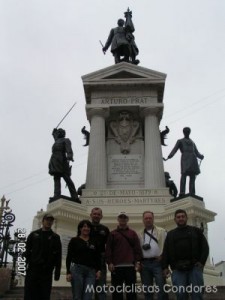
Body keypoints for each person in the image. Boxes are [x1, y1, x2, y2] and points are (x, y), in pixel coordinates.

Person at [162, 209, 209, 300]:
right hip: (177, 269)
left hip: (194, 268)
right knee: (180, 294)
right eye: (178, 217)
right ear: (175, 219)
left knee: (197, 294)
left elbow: (205, 248)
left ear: (186, 218)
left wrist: (202, 262)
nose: (181, 218)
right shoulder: (170, 234)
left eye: (183, 216)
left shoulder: (196, 231)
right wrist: (165, 267)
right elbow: (166, 251)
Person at [24, 214, 62, 300]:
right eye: (47, 220)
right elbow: (26, 252)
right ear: (43, 221)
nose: (49, 222)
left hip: (47, 272)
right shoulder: (33, 235)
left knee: (44, 295)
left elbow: (58, 256)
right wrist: (22, 268)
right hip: (33, 270)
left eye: (51, 220)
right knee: (29, 295)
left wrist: (57, 273)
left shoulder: (55, 237)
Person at [105, 212, 142, 300]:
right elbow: (108, 249)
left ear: (127, 219)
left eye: (124, 217)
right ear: (118, 219)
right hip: (116, 267)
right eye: (121, 217)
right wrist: (109, 262)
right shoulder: (112, 233)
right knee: (117, 292)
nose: (122, 219)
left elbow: (137, 248)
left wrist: (138, 262)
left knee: (131, 292)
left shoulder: (132, 233)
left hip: (130, 267)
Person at [66, 220, 102, 300]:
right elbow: (69, 257)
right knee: (77, 296)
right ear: (80, 228)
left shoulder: (94, 241)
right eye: (84, 226)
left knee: (88, 296)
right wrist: (68, 272)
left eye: (88, 227)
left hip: (91, 272)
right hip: (77, 270)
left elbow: (97, 257)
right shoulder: (74, 240)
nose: (86, 228)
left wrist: (99, 270)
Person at [167, 127, 204, 196]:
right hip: (185, 158)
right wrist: (170, 156)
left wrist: (200, 156)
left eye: (188, 131)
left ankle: (192, 192)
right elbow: (174, 149)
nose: (187, 133)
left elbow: (196, 152)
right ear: (183, 132)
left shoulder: (192, 142)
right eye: (185, 131)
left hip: (193, 159)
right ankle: (182, 192)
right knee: (184, 175)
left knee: (192, 176)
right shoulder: (180, 141)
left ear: (189, 132)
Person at [139, 211, 167, 300]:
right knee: (147, 290)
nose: (148, 220)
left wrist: (163, 257)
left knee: (161, 288)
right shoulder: (139, 234)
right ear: (143, 220)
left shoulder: (162, 231)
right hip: (145, 264)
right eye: (146, 218)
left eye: (150, 218)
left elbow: (167, 247)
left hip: (158, 263)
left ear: (153, 219)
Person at [49, 128, 80, 203]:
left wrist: (69, 156)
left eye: (60, 132)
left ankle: (74, 196)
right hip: (54, 159)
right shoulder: (57, 140)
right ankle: (56, 194)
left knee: (66, 178)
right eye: (58, 132)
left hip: (62, 159)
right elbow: (54, 135)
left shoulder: (66, 140)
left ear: (63, 133)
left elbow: (69, 149)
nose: (58, 133)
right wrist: (54, 131)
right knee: (56, 178)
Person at [90, 207, 110, 300]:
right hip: (87, 262)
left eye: (98, 214)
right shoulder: (85, 227)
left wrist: (108, 260)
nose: (96, 216)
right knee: (87, 289)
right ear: (91, 215)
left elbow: (109, 246)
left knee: (101, 289)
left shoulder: (105, 229)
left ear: (101, 216)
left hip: (101, 262)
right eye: (94, 214)